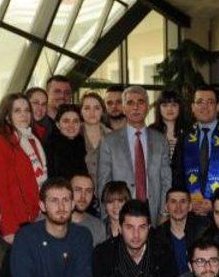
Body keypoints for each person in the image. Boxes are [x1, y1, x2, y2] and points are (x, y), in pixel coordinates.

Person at [98, 85, 172, 220]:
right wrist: (106, 218)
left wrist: (165, 213)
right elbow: (103, 182)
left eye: (140, 102)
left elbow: (166, 180)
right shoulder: (109, 142)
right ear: (123, 108)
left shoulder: (160, 140)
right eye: (130, 103)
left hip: (153, 212)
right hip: (120, 213)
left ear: (148, 107)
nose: (136, 107)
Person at [172, 85, 219, 214]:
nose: (205, 107)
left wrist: (216, 202)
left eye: (210, 102)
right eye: (199, 102)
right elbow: (176, 173)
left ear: (218, 107)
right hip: (189, 210)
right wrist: (187, 200)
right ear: (192, 107)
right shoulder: (184, 137)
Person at [0, 92, 46, 241]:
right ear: (7, 116)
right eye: (17, 111)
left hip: (38, 215)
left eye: (27, 110)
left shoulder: (33, 138)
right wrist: (8, 228)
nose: (24, 115)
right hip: (16, 222)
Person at [152, 187, 208, 277]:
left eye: (183, 201)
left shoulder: (202, 233)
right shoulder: (157, 236)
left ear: (190, 206)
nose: (178, 207)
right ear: (166, 207)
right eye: (173, 201)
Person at [47, 103, 88, 178]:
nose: (71, 125)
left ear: (80, 124)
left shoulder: (81, 143)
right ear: (58, 125)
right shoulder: (50, 146)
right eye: (66, 121)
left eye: (75, 121)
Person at [80, 91, 110, 182]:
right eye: (87, 108)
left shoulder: (112, 137)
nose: (92, 112)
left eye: (97, 108)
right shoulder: (73, 134)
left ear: (103, 111)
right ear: (80, 111)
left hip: (106, 187)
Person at [70, 173, 107, 246]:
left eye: (88, 191)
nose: (83, 196)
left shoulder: (98, 227)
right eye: (78, 190)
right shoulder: (51, 223)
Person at [150, 90, 186, 158]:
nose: (169, 109)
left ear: (180, 107)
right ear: (159, 108)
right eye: (165, 105)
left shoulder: (188, 131)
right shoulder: (151, 131)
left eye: (174, 105)